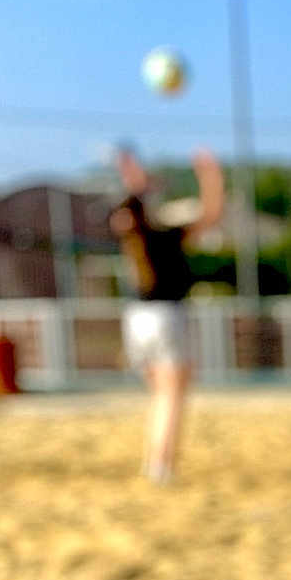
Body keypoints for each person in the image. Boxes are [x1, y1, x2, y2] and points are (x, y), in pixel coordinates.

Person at [109, 146, 224, 486]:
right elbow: (212, 213)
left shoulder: (133, 236)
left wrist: (132, 174)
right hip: (166, 317)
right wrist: (210, 175)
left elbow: (134, 199)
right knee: (172, 396)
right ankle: (161, 465)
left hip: (135, 318)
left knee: (159, 395)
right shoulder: (165, 236)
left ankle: (153, 461)